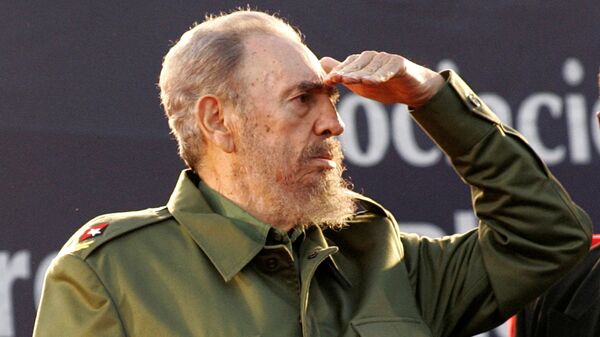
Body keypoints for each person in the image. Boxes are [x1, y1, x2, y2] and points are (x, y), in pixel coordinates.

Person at [32, 10, 593, 337]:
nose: (333, 125)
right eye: (302, 100)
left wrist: (431, 96)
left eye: (331, 101)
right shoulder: (111, 276)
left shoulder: (383, 260)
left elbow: (547, 237)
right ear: (218, 121)